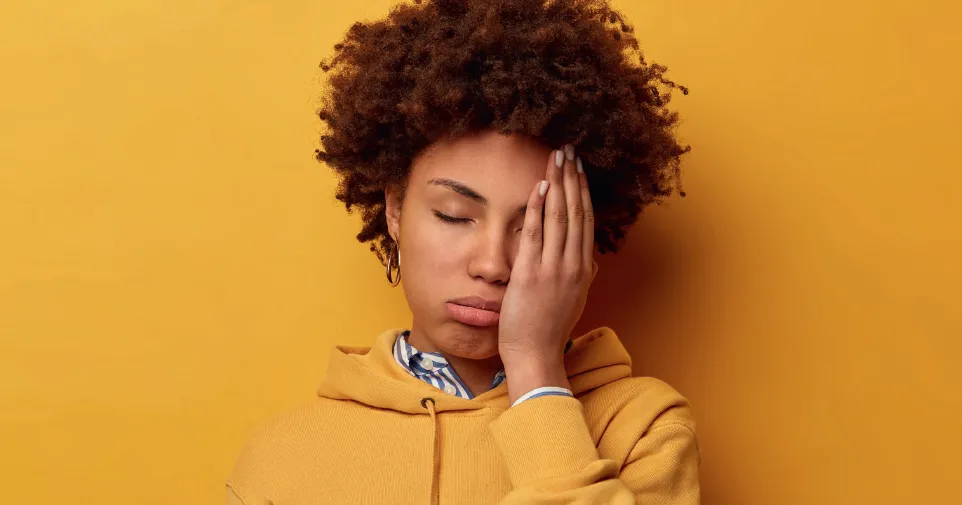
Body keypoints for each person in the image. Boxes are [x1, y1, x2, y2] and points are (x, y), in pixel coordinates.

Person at [226, 0, 700, 503]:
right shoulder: (283, 456)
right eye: (454, 215)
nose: (492, 265)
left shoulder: (642, 427)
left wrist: (535, 369)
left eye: (533, 228)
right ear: (394, 209)